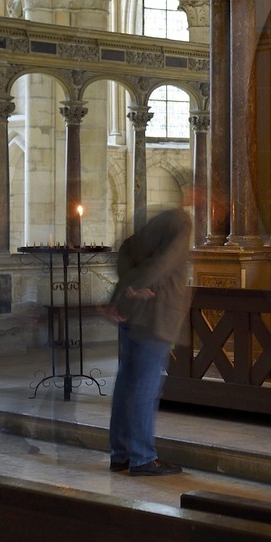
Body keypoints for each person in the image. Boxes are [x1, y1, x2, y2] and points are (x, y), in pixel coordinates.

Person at [105, 201, 192, 477]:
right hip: (155, 316)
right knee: (146, 386)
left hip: (132, 314)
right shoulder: (181, 220)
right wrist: (136, 285)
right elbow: (165, 263)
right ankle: (142, 457)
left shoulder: (150, 227)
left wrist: (126, 288)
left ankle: (120, 455)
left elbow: (123, 252)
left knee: (126, 383)